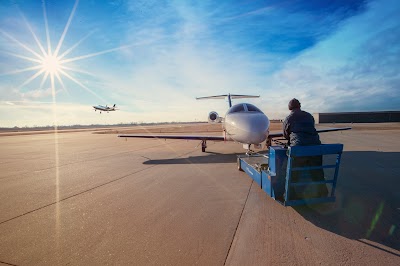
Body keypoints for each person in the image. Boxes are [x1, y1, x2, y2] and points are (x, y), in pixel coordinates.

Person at [282, 98, 327, 199]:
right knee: (317, 172)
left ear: (289, 107)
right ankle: (323, 193)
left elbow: (285, 134)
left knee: (291, 172)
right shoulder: (309, 115)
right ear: (299, 105)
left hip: (299, 148)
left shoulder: (289, 118)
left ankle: (291, 195)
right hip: (315, 147)